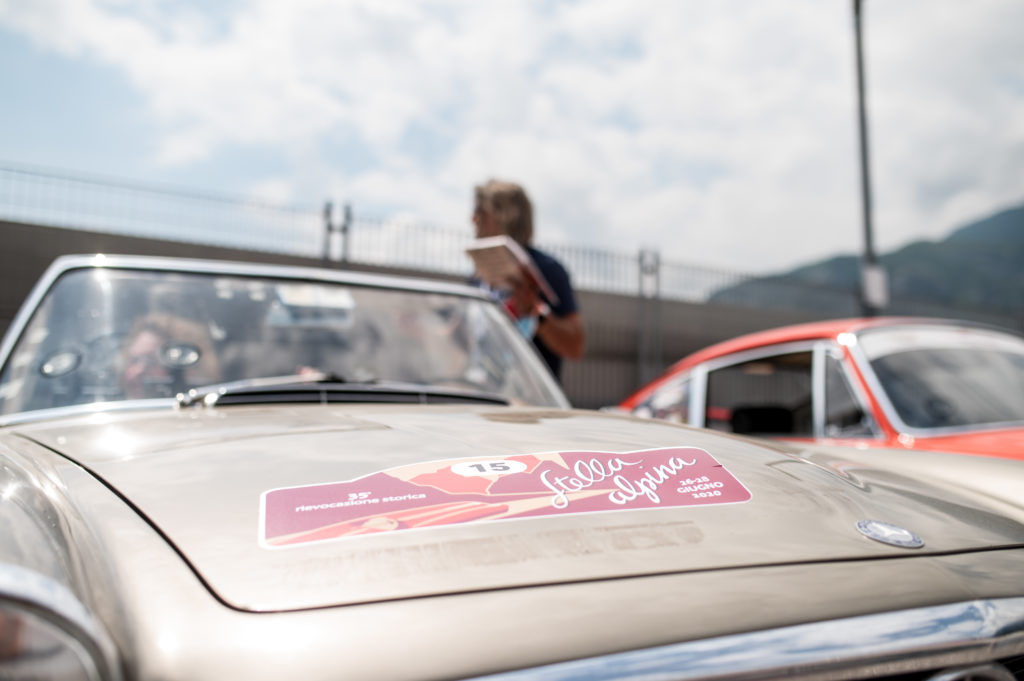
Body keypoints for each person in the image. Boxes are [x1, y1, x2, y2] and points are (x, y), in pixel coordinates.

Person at [471, 179, 584, 381]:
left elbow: (575, 346)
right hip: (484, 391)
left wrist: (535, 313)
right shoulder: (477, 277)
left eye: (481, 211)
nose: (473, 219)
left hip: (530, 396)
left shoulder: (546, 270)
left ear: (505, 216)